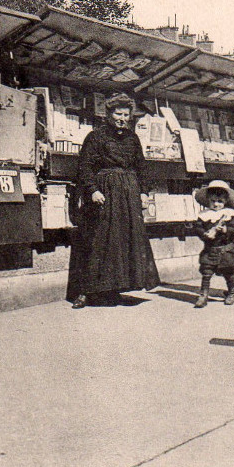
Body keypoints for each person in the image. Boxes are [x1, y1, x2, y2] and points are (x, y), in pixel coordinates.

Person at [68, 93, 159, 308]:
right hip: (105, 194)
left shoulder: (132, 138)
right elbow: (85, 167)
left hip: (128, 195)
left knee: (123, 242)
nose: (122, 118)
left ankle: (114, 289)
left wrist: (144, 192)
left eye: (126, 115)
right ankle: (85, 292)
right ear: (109, 114)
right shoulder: (96, 136)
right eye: (118, 114)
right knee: (98, 242)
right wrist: (92, 190)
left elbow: (141, 168)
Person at [191, 181, 234, 308]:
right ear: (208, 200)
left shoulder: (231, 214)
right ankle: (203, 295)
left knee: (229, 273)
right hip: (210, 249)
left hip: (226, 249)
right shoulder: (204, 215)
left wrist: (225, 230)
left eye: (220, 201)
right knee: (206, 272)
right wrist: (205, 233)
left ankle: (232, 293)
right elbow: (198, 228)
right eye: (213, 201)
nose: (216, 204)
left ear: (225, 201)